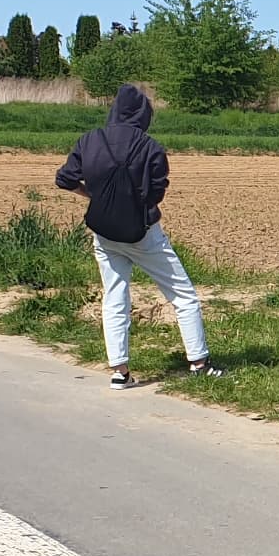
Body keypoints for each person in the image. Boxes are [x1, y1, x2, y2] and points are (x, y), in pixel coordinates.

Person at [55, 83, 222, 387]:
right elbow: (156, 193)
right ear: (144, 115)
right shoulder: (151, 148)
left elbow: (64, 179)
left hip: (104, 233)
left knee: (115, 297)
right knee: (184, 296)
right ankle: (199, 363)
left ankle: (120, 372)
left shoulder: (89, 140)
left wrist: (94, 196)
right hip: (142, 234)